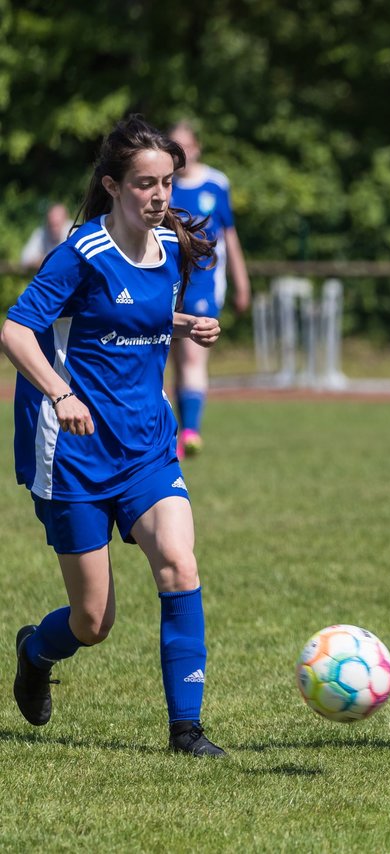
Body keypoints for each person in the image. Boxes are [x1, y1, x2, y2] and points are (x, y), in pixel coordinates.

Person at [1, 115, 227, 756]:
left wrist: (180, 324)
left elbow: (126, 319)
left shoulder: (169, 247)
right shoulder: (79, 254)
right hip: (72, 454)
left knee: (180, 567)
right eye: (145, 185)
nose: (160, 197)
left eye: (167, 183)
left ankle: (187, 731)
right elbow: (16, 332)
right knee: (93, 621)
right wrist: (62, 392)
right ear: (113, 185)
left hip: (148, 444)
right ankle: (35, 651)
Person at [167, 120, 252, 459]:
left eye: (186, 145)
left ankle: (191, 432)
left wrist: (242, 281)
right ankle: (179, 432)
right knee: (173, 358)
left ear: (197, 147)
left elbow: (230, 236)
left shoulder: (216, 184)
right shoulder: (163, 185)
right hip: (169, 281)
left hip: (204, 283)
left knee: (192, 354)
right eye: (175, 147)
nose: (181, 153)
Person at [19, 203, 72, 270]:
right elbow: (25, 259)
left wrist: (44, 260)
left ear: (65, 220)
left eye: (57, 224)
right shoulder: (41, 233)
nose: (54, 228)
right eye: (51, 224)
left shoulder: (74, 232)